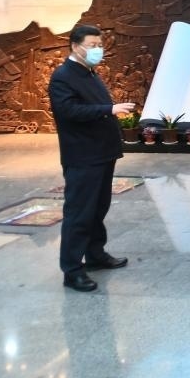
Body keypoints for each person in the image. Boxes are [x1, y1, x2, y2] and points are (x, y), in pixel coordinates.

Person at [48, 25, 135, 293]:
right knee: (79, 213)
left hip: (102, 153)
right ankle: (72, 270)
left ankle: (95, 254)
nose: (98, 49)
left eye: (100, 45)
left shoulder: (89, 72)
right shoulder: (63, 76)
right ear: (76, 46)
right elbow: (69, 111)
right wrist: (109, 109)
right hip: (83, 155)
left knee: (98, 208)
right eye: (92, 45)